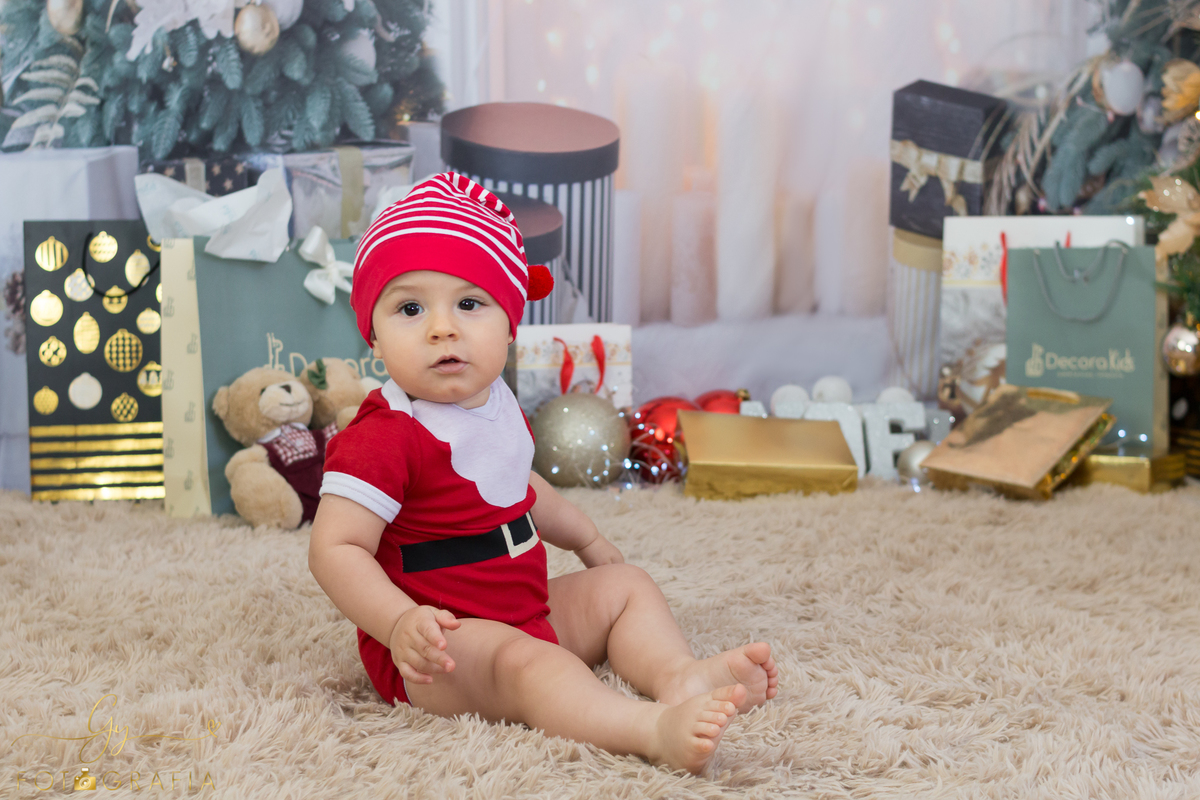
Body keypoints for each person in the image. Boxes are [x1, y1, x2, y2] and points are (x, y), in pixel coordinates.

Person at [307, 172, 779, 774]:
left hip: (522, 609)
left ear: (509, 325)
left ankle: (677, 676)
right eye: (410, 307)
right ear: (372, 337)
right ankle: (648, 728)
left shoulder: (498, 405)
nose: (441, 327)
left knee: (626, 587)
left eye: (470, 304)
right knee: (534, 667)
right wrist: (398, 624)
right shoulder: (384, 435)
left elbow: (521, 486)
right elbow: (335, 548)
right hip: (439, 645)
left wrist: (587, 539)